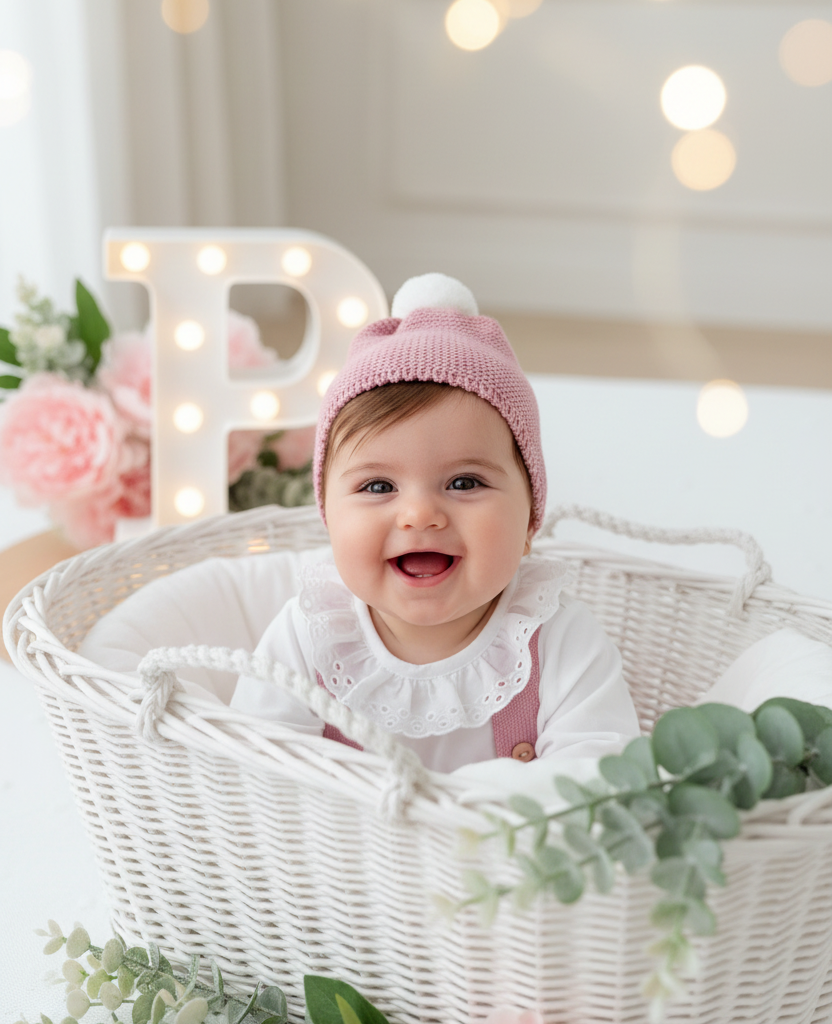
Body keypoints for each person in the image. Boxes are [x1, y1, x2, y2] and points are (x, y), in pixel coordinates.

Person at [231, 273, 639, 773]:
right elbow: (254, 772)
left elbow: (600, 773)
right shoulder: (310, 635)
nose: (420, 514)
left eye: (465, 483)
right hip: (336, 851)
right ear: (329, 521)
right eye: (378, 487)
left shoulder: (556, 638)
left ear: (530, 520)